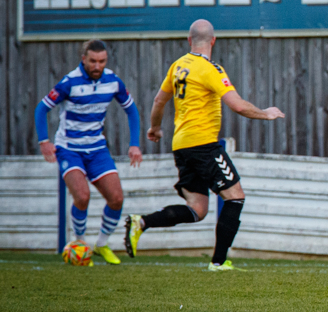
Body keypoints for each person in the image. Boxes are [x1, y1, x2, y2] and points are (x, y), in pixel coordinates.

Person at [123, 19, 284, 271]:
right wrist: (266, 113)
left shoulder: (178, 66)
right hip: (204, 144)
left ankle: (141, 222)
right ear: (213, 40)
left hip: (181, 146)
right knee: (235, 197)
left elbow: (158, 100)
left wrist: (154, 128)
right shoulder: (211, 69)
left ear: (189, 40)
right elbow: (238, 105)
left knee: (197, 209)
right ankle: (219, 262)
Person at [34, 39, 143, 265]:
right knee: (82, 196)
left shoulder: (112, 81)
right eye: (93, 61)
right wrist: (44, 141)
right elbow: (41, 108)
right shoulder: (69, 83)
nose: (97, 66)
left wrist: (134, 144)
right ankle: (79, 243)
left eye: (101, 61)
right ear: (83, 59)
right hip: (69, 149)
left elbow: (132, 110)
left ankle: (101, 244)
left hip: (97, 149)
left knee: (116, 198)